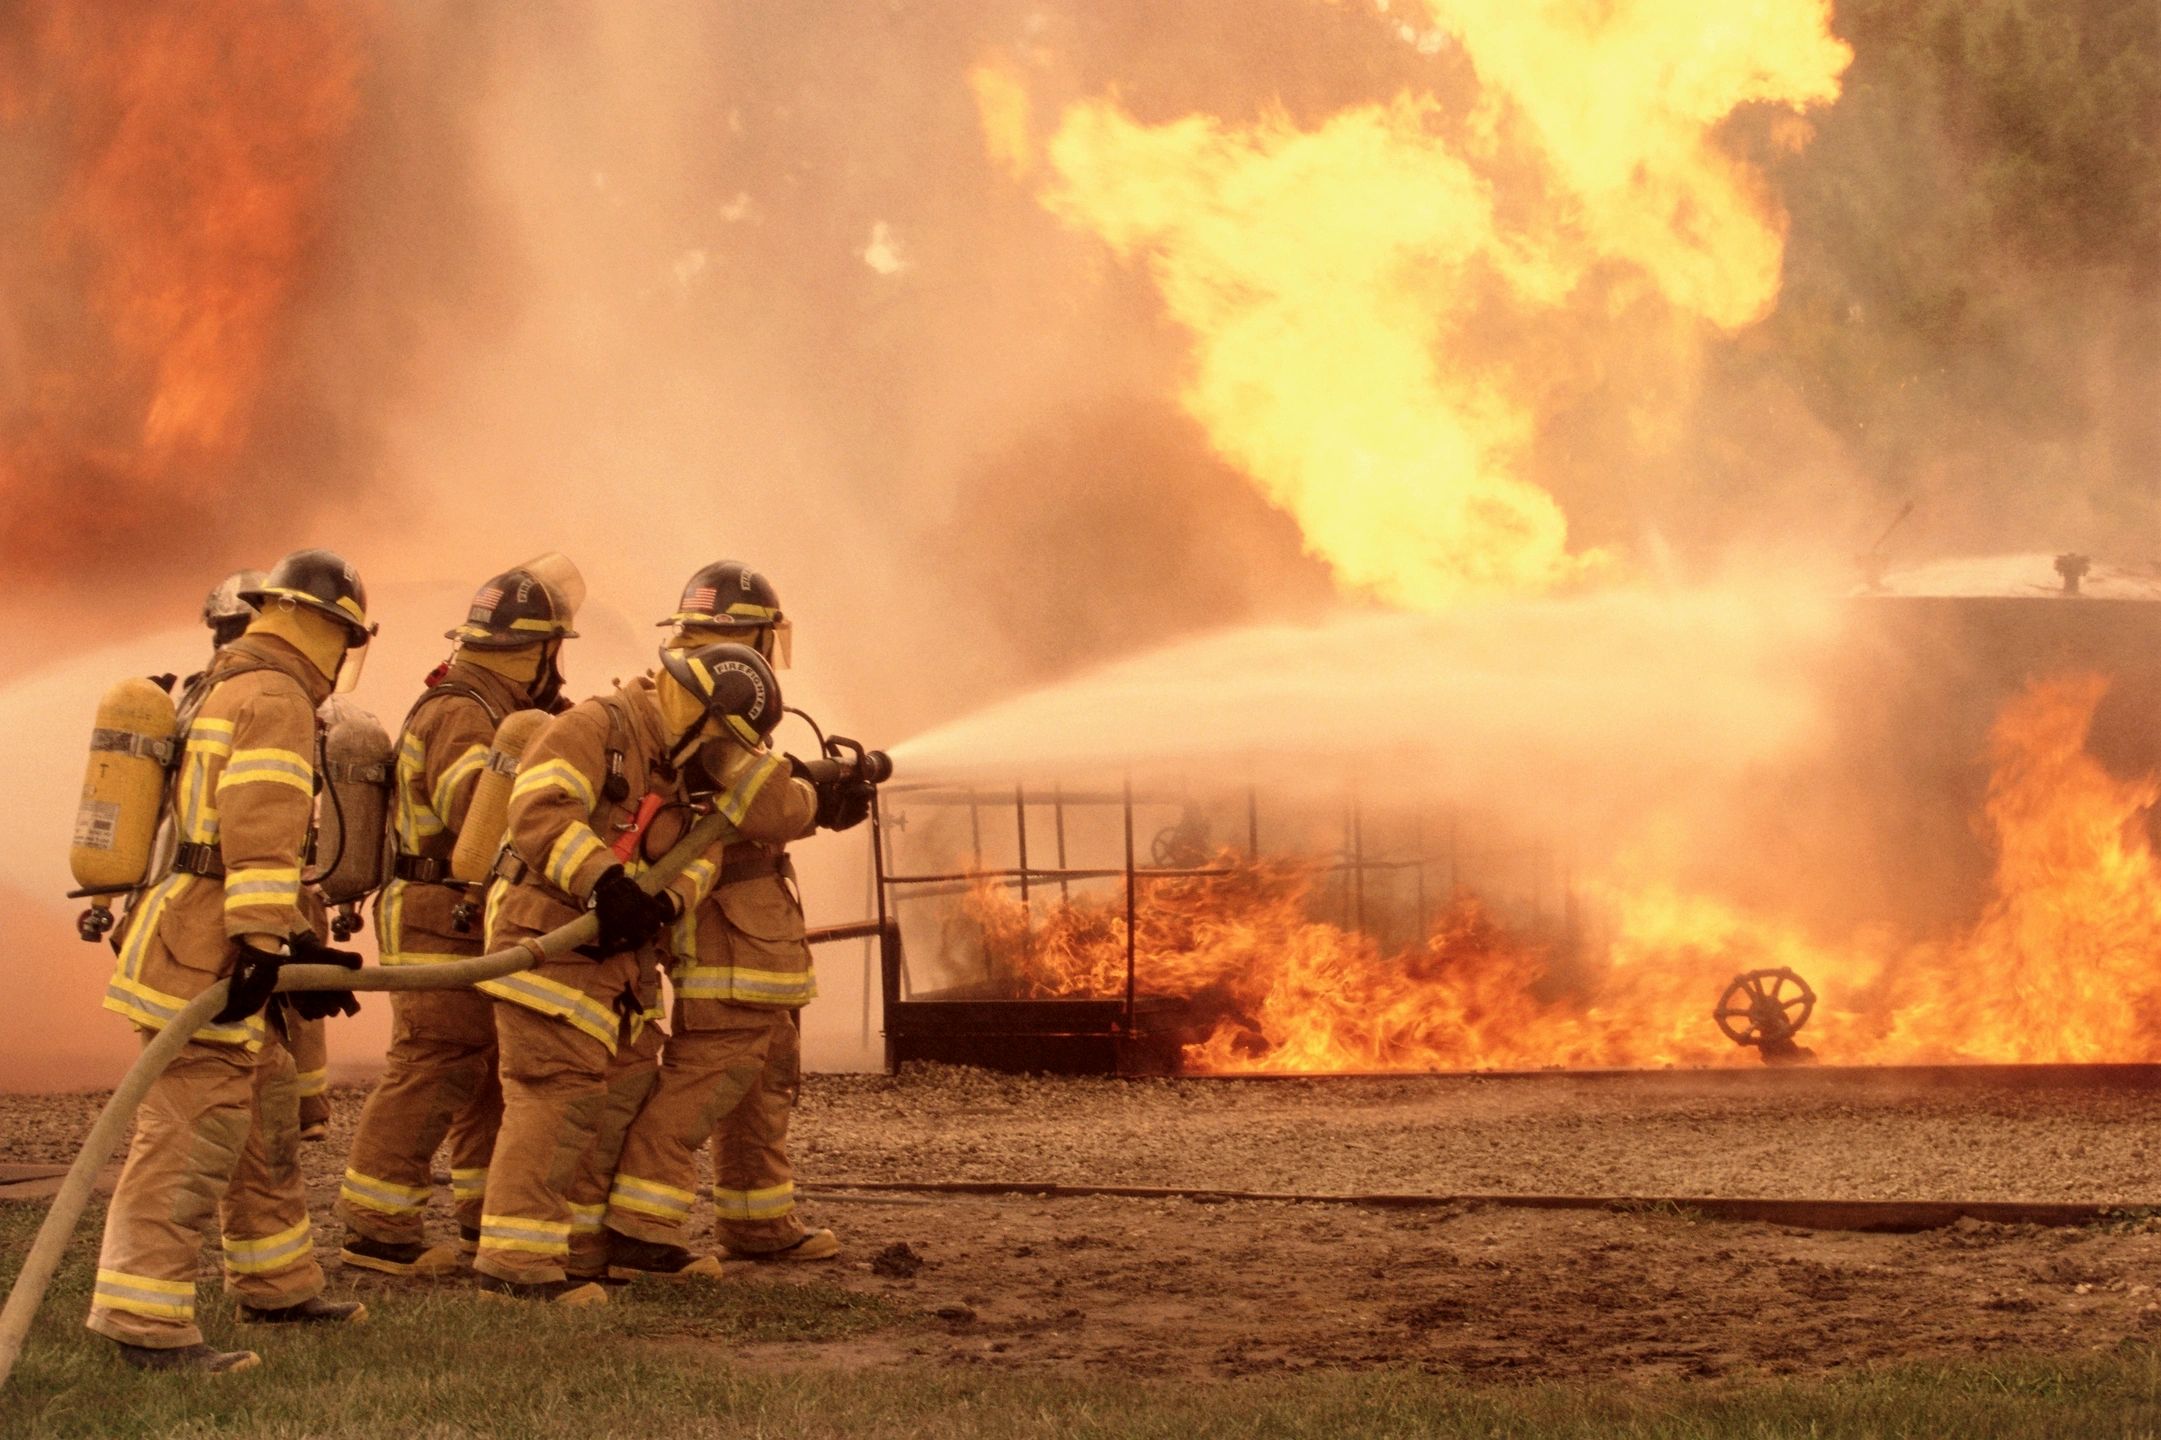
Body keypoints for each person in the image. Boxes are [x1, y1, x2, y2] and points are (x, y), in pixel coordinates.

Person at [87, 549, 375, 1373]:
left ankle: (275, 1284)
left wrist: (296, 943)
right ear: (320, 626)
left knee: (263, 1111)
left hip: (199, 932)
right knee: (190, 1134)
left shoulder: (231, 683)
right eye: (345, 636)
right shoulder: (277, 697)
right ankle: (142, 1322)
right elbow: (258, 828)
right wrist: (257, 943)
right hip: (204, 950)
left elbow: (226, 831)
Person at [465, 634, 781, 1301]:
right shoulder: (593, 727)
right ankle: (515, 1266)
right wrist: (603, 882)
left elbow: (702, 855)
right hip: (548, 945)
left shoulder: (677, 771)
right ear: (696, 710)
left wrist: (662, 903)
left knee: (618, 1096)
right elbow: (540, 811)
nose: (719, 756)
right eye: (720, 739)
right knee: (555, 1099)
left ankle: (583, 1250)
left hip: (617, 970)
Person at [602, 564, 866, 1274]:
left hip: (748, 925)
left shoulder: (697, 690)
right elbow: (766, 805)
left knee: (763, 1073)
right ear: (751, 634)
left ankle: (758, 1219)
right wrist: (818, 797)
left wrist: (807, 785)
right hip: (726, 930)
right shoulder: (707, 698)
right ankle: (637, 1230)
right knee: (711, 1072)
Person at [336, 558, 583, 1278]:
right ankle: (377, 1229)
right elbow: (472, 808)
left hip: (461, 913)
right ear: (539, 649)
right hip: (435, 912)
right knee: (433, 1063)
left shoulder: (483, 704)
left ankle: (483, 1214)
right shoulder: (461, 711)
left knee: (483, 1068)